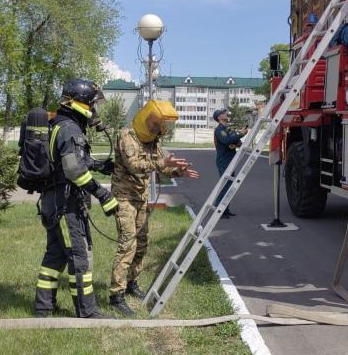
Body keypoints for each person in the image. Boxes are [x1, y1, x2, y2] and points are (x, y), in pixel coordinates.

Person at [34, 78, 119, 319]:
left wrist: (99, 165)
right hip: (66, 206)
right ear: (80, 103)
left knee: (55, 256)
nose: (94, 110)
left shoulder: (59, 124)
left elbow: (69, 161)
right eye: (92, 104)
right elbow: (73, 171)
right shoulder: (71, 129)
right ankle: (88, 312)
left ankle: (43, 308)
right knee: (80, 258)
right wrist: (103, 194)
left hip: (52, 202)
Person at [107, 101, 199, 316]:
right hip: (124, 198)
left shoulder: (153, 140)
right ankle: (116, 295)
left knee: (142, 244)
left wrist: (177, 172)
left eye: (162, 125)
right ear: (147, 118)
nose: (160, 128)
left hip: (141, 198)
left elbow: (161, 168)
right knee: (127, 244)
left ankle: (132, 284)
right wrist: (162, 164)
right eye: (157, 123)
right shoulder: (127, 135)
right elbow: (135, 166)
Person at [213, 108, 247, 218]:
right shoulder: (219, 130)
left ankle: (225, 209)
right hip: (224, 160)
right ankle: (219, 210)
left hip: (230, 159)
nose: (226, 114)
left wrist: (238, 140)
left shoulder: (228, 129)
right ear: (219, 117)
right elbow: (227, 140)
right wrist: (240, 134)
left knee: (229, 186)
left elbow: (236, 141)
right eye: (223, 113)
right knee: (225, 185)